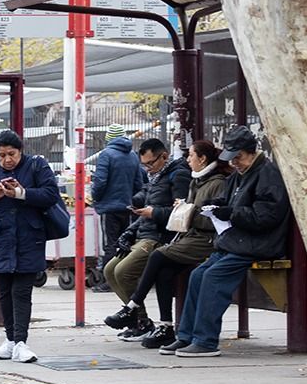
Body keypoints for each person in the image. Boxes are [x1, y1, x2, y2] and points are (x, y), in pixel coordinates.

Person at [161, 126, 292, 358]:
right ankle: (187, 336)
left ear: (251, 152)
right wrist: (215, 206)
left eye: (238, 158)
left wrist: (230, 212)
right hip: (237, 241)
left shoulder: (267, 175)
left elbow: (266, 216)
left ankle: (205, 340)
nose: (235, 163)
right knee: (198, 275)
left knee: (212, 278)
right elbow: (228, 200)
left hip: (255, 243)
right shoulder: (239, 175)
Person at [106, 139, 229, 348]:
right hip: (177, 235)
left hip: (189, 237)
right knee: (122, 270)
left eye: (191, 155)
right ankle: (165, 326)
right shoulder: (190, 180)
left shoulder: (198, 179)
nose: (188, 159)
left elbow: (204, 217)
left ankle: (135, 311)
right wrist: (130, 230)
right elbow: (166, 208)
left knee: (148, 260)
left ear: (202, 158)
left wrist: (172, 211)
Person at [0, 130, 59, 364]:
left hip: (29, 238)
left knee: (22, 292)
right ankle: (10, 340)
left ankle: (21, 341)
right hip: (0, 240)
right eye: (2, 155)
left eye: (12, 154)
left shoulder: (37, 166)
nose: (7, 159)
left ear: (21, 151)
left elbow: (51, 194)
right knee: (5, 293)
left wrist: (22, 193)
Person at [102, 138, 191, 341]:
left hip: (159, 237)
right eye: (145, 165)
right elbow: (147, 212)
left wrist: (154, 213)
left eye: (151, 163)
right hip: (144, 233)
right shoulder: (157, 176)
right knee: (109, 270)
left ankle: (140, 320)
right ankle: (139, 321)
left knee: (123, 271)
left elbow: (182, 212)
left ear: (164, 156)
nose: (148, 169)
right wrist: (130, 232)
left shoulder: (178, 175)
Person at [90, 124, 146, 290]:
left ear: (108, 139)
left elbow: (100, 182)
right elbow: (139, 183)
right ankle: (125, 278)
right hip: (128, 207)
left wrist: (96, 198)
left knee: (111, 243)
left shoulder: (106, 155)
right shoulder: (133, 156)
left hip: (109, 207)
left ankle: (109, 282)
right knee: (126, 242)